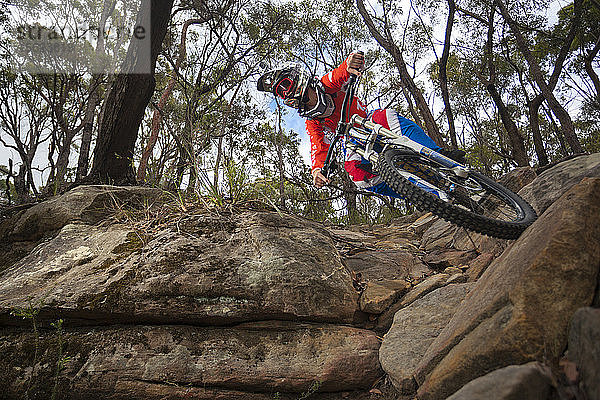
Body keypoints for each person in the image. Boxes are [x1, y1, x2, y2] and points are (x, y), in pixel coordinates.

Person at [256, 52, 465, 196]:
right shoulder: (313, 121)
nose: (311, 103)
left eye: (308, 96)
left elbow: (339, 75)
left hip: (369, 121)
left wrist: (350, 64)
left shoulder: (325, 85)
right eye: (303, 102)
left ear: (309, 84)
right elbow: (318, 145)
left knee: (387, 116)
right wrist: (317, 170)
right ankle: (418, 194)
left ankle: (439, 155)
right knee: (357, 175)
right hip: (354, 140)